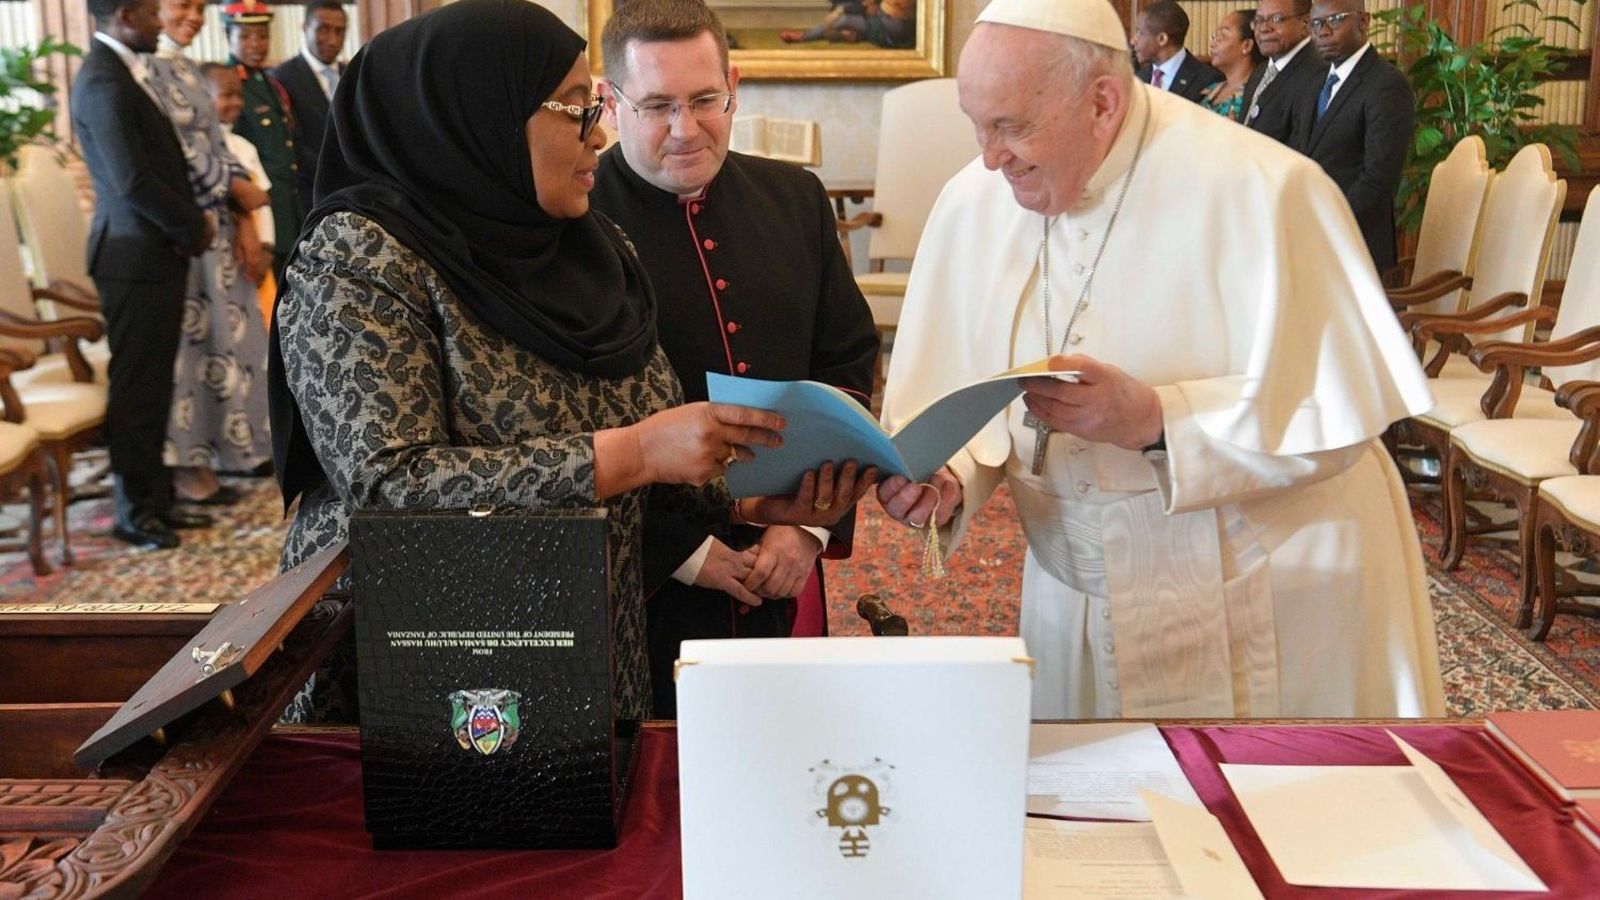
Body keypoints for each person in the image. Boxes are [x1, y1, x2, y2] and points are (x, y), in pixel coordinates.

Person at [270, 0, 868, 723]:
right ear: (483, 115)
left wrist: (744, 503)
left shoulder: (587, 244)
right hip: (428, 664)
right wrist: (640, 451)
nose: (601, 134)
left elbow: (639, 443)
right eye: (581, 111)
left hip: (588, 646)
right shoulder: (357, 260)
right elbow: (392, 484)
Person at [877, 0, 1443, 719]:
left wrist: (1156, 420)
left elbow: (1332, 420)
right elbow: (961, 395)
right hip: (1079, 585)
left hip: (1265, 581)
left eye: (1011, 127)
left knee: (1279, 815)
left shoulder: (1262, 190)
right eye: (977, 125)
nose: (989, 157)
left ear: (1103, 102)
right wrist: (952, 477)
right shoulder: (977, 199)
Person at [588, 0, 879, 718]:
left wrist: (808, 525)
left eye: (705, 101)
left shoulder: (795, 198)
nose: (686, 131)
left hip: (787, 558)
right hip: (644, 579)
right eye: (656, 106)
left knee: (791, 752)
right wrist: (686, 552)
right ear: (609, 102)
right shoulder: (574, 226)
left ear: (735, 85)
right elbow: (563, 426)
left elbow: (847, 365)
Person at [73, 0, 212, 550]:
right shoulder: (103, 81)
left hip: (152, 253)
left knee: (154, 387)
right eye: (154, 13)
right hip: (132, 257)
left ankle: (158, 502)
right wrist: (194, 225)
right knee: (137, 390)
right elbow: (133, 182)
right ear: (126, 15)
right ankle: (134, 513)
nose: (161, 23)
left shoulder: (120, 72)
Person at [148, 0, 274, 506]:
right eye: (184, 5)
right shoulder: (150, 66)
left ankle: (235, 451)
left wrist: (243, 209)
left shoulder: (179, 63)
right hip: (189, 224)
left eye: (201, 6)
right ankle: (190, 469)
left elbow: (217, 143)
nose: (195, 16)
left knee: (231, 345)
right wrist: (234, 189)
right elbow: (178, 149)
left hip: (219, 219)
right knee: (197, 352)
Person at [1291, 0, 1414, 273]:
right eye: (1315, 24)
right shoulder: (1315, 82)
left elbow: (1378, 176)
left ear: (1364, 21)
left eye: (1335, 20)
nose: (1323, 31)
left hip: (1355, 241)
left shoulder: (1386, 84)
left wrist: (1329, 220)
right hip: (1310, 235)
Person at [225, 0, 301, 278]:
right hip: (258, 215)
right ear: (228, 37)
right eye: (245, 37)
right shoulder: (228, 86)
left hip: (287, 210)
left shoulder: (270, 83)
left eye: (262, 36)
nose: (255, 44)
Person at [204, 62, 279, 326]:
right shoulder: (202, 150)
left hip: (256, 254)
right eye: (226, 95)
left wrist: (268, 247)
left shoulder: (244, 147)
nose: (236, 103)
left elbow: (263, 203)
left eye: (239, 95)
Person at [270, 0, 347, 220]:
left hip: (352, 197)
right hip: (309, 198)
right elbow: (291, 144)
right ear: (305, 28)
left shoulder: (353, 73)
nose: (333, 40)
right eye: (323, 29)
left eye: (339, 31)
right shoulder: (281, 78)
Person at [1237, 0, 1321, 145]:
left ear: (1306, 23)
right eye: (1258, 20)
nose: (1263, 28)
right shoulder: (1261, 71)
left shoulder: (1318, 74)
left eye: (1276, 19)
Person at [1131, 0, 1222, 103]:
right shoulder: (1137, 78)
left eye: (1139, 33)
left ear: (1162, 39)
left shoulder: (1207, 80)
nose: (1133, 41)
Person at [1197, 9, 1264, 118]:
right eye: (1215, 36)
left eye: (1222, 36)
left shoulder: (1256, 95)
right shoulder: (1210, 89)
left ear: (1246, 46)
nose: (1212, 44)